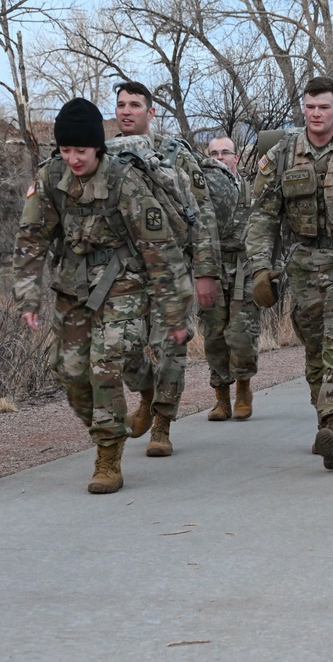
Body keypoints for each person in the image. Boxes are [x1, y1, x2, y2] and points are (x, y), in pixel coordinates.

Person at [12, 98, 193, 493]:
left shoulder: (125, 182)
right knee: (70, 371)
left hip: (125, 283)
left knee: (105, 364)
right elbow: (31, 241)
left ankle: (108, 457)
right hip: (73, 285)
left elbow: (159, 249)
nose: (74, 159)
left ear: (98, 146)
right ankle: (143, 386)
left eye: (82, 150)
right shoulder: (50, 178)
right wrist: (27, 298)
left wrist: (176, 311)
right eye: (66, 150)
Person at [246, 76, 333, 470]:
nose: (316, 114)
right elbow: (261, 217)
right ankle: (323, 419)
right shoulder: (282, 155)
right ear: (303, 109)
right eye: (310, 107)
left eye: (324, 107)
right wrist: (260, 268)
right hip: (303, 267)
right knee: (314, 350)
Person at [110, 81, 231, 458]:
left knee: (172, 345)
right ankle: (145, 392)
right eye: (120, 105)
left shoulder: (175, 154)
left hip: (173, 267)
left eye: (134, 104)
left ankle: (162, 423)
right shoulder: (105, 156)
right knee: (124, 347)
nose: (126, 111)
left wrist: (206, 271)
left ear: (151, 111)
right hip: (123, 270)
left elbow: (204, 213)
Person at [198, 136, 261, 421]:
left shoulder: (254, 189)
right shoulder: (201, 191)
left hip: (245, 267)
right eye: (213, 153)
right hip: (212, 266)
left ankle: (244, 390)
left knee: (242, 335)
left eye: (225, 152)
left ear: (236, 158)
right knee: (213, 334)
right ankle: (221, 397)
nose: (219, 157)